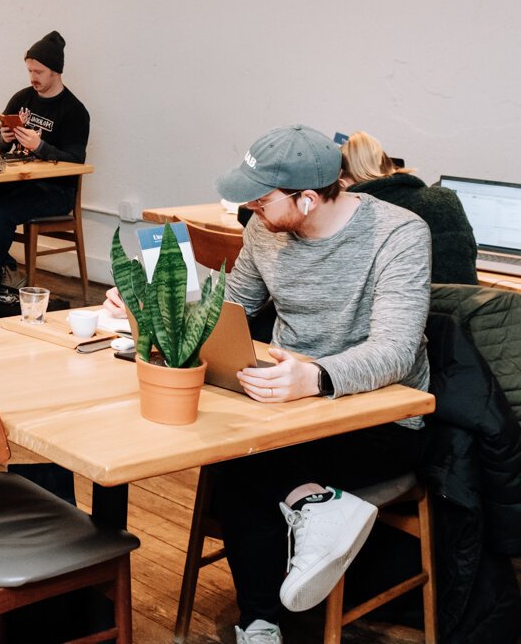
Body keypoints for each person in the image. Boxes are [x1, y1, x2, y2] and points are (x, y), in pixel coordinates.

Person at [106, 125, 431, 644]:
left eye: (260, 198)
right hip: (288, 403)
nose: (250, 208)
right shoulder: (265, 229)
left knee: (242, 460)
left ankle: (261, 620)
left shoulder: (400, 234)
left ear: (307, 199)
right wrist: (152, 306)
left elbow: (395, 349)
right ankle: (309, 513)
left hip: (381, 415)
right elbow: (231, 307)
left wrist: (316, 376)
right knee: (233, 446)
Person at [0, 30, 89, 298]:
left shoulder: (74, 111)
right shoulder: (22, 98)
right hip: (17, 181)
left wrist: (40, 147)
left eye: (39, 72)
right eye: (29, 71)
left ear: (55, 71)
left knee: (0, 212)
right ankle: (5, 267)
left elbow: (77, 159)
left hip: (56, 189)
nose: (32, 77)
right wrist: (3, 139)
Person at [339, 130, 478, 284]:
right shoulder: (445, 197)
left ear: (341, 180)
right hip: (460, 297)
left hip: (406, 298)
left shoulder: (360, 210)